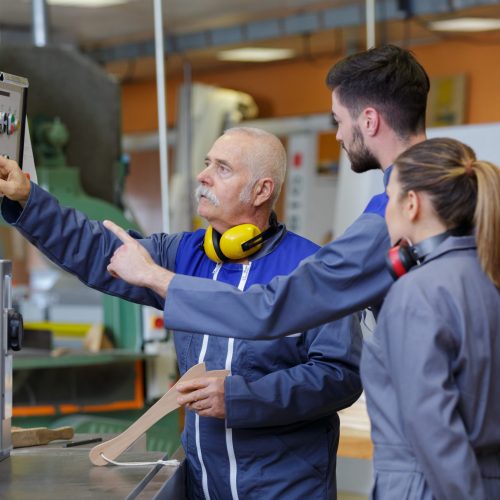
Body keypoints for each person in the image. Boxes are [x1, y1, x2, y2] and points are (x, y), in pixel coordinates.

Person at [0, 127, 363, 499]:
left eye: (222, 168)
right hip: (204, 485)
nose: (203, 176)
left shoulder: (311, 270)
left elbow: (340, 376)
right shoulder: (185, 256)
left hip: (286, 489)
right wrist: (29, 201)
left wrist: (240, 397)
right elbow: (97, 251)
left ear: (261, 191)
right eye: (207, 163)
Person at [64, 44, 429, 341]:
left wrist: (156, 277)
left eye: (339, 122)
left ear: (369, 121)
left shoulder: (395, 214)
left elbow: (268, 310)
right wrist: (27, 200)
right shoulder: (451, 189)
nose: (337, 136)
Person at [363, 137, 500, 499]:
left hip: (429, 487)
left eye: (390, 198)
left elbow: (434, 429)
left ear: (411, 204)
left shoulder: (416, 293)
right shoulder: (490, 278)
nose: (386, 210)